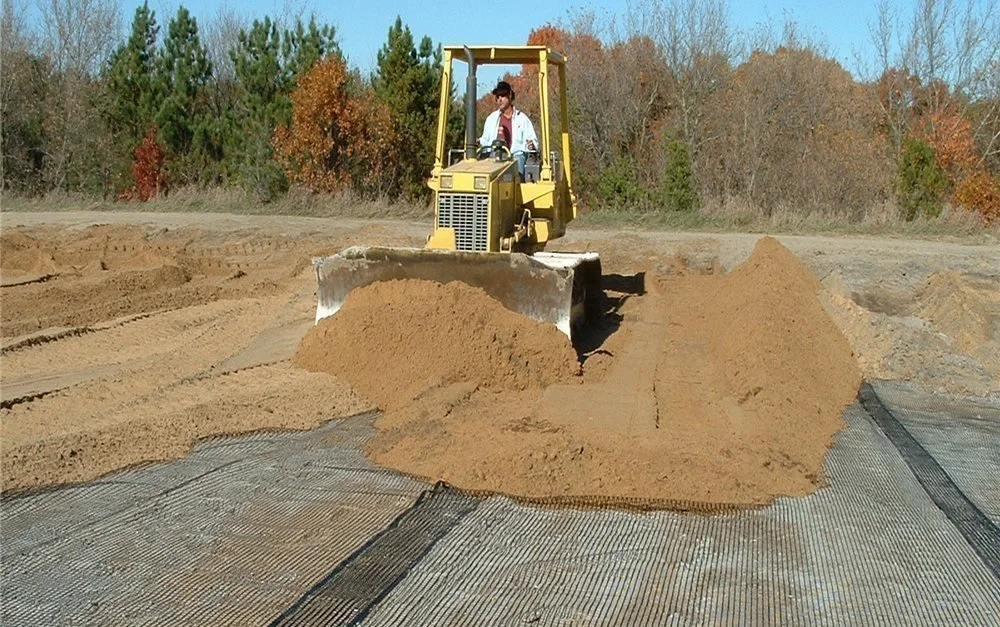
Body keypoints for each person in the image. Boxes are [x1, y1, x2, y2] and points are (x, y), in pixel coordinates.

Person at [479, 81, 538, 180]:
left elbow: (533, 140)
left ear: (510, 95)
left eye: (502, 96)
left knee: (518, 162)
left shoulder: (522, 119)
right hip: (494, 156)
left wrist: (531, 145)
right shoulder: (491, 119)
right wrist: (479, 141)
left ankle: (517, 188)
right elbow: (485, 140)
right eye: (497, 97)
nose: (499, 99)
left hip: (515, 156)